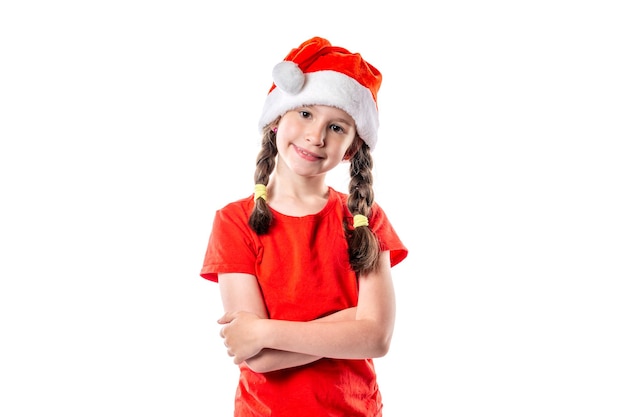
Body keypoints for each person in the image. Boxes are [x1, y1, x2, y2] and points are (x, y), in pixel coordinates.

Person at [200, 36, 408, 417]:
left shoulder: (366, 218)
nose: (316, 136)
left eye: (338, 127)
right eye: (306, 114)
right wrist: (351, 323)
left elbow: (377, 337)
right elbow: (258, 358)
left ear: (351, 149)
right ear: (279, 116)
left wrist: (265, 330)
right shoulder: (233, 221)